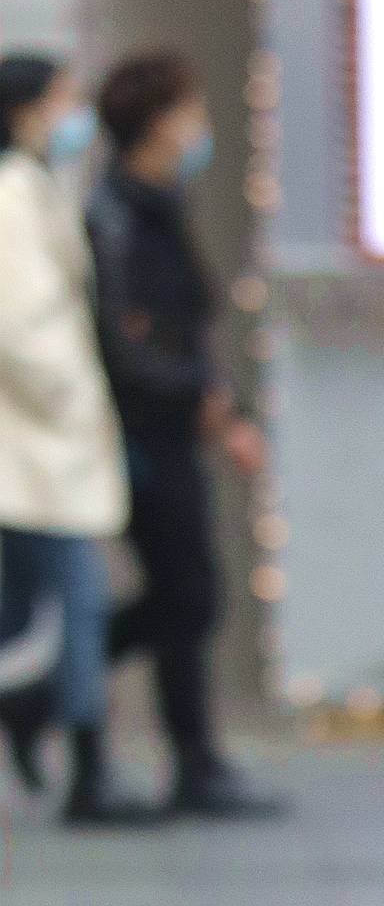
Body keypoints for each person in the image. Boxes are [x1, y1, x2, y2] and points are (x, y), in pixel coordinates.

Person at [87, 49, 284, 817]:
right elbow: (127, 341)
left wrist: (217, 403)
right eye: (189, 111)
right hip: (143, 431)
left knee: (190, 593)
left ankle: (193, 758)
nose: (201, 126)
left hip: (172, 423)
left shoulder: (159, 205)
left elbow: (179, 327)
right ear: (156, 122)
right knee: (183, 592)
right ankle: (52, 689)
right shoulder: (115, 216)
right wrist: (198, 399)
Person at [0, 53, 149, 823]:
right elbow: (23, 325)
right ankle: (85, 765)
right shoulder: (11, 194)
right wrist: (72, 399)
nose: (73, 116)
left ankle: (42, 725)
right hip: (34, 444)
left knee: (41, 609)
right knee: (77, 602)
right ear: (25, 109)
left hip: (39, 445)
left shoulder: (33, 187)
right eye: (62, 100)